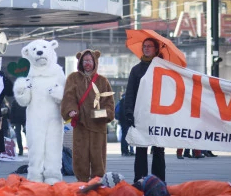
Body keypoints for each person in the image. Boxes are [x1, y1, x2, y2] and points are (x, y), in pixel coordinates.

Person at [60, 50, 115, 182]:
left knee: (98, 156)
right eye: (85, 61)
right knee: (80, 155)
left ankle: (97, 181)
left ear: (95, 62)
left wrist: (100, 114)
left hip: (98, 126)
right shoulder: (73, 78)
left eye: (90, 60)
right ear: (80, 62)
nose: (87, 63)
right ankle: (82, 181)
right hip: (81, 124)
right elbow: (68, 97)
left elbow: (109, 104)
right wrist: (71, 111)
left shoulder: (103, 81)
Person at [123, 38, 166, 183]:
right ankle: (140, 181)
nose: (146, 48)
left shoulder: (164, 69)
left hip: (158, 116)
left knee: (159, 150)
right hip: (141, 115)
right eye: (144, 46)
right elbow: (130, 93)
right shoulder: (136, 70)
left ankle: (158, 182)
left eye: (149, 46)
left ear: (156, 50)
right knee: (141, 150)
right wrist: (129, 112)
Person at [116, 92, 133, 157]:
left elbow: (116, 111)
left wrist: (119, 119)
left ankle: (124, 151)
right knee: (129, 135)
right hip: (128, 120)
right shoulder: (129, 100)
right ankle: (129, 150)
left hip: (122, 121)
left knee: (124, 136)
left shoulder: (120, 101)